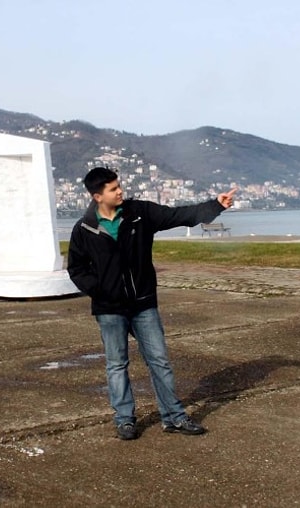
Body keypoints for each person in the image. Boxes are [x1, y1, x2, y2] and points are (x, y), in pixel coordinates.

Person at [67, 167, 236, 440]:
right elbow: (76, 268)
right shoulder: (85, 228)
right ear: (98, 196)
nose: (120, 191)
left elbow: (178, 215)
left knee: (159, 361)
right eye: (113, 189)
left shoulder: (139, 213)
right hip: (109, 309)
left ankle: (174, 417)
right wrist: (100, 291)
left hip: (143, 303)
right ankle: (125, 420)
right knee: (117, 364)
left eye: (118, 185)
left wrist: (215, 206)